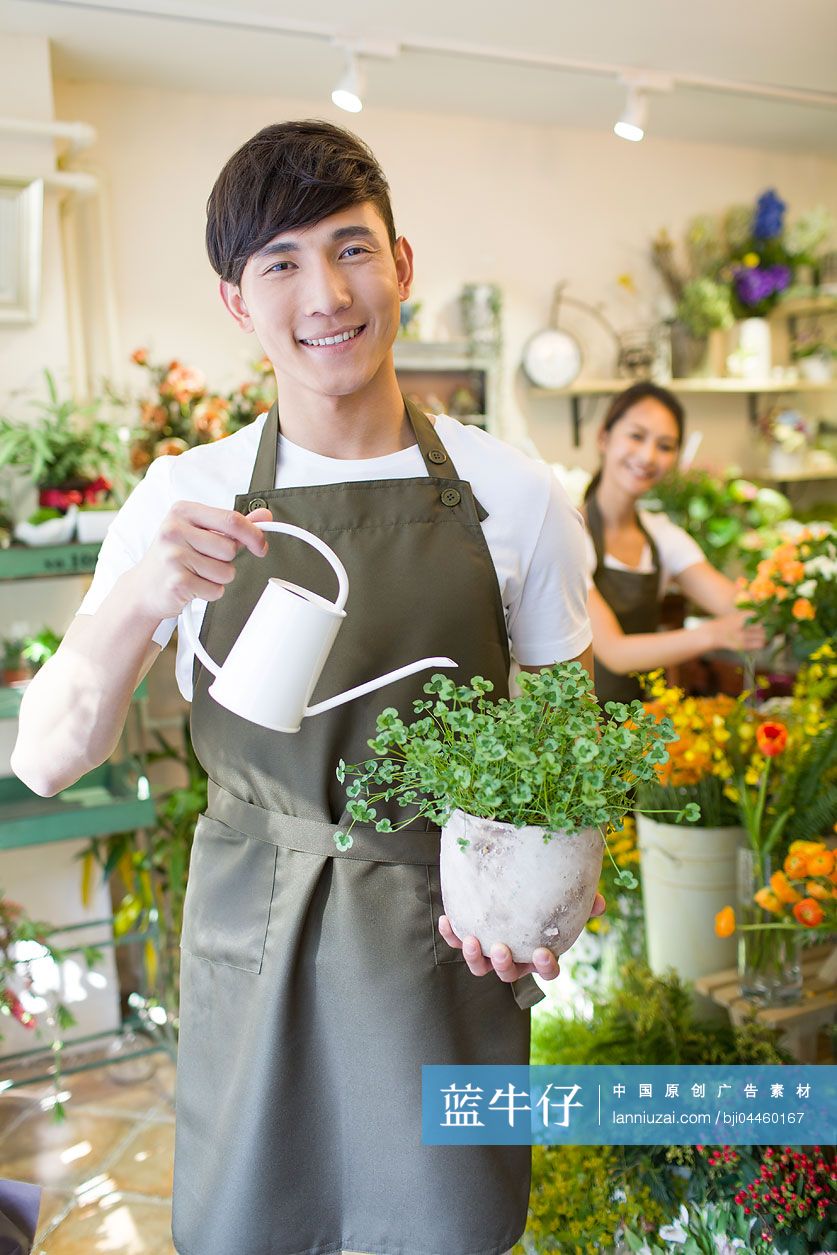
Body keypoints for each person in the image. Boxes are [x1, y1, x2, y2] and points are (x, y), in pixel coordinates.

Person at [12, 120, 601, 1255]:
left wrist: (543, 909)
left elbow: (564, 751)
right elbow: (45, 757)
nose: (324, 291)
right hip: (255, 937)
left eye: (350, 248)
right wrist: (142, 595)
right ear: (237, 302)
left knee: (449, 1228)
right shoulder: (187, 494)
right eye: (280, 262)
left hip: (440, 947)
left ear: (402, 263)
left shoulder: (513, 493)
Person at [583, 381, 765, 706]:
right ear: (604, 438)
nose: (648, 456)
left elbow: (736, 605)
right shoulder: (570, 534)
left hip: (635, 726)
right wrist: (714, 633)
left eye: (665, 446)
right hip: (572, 730)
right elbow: (614, 652)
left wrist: (794, 589)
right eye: (636, 436)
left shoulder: (662, 536)